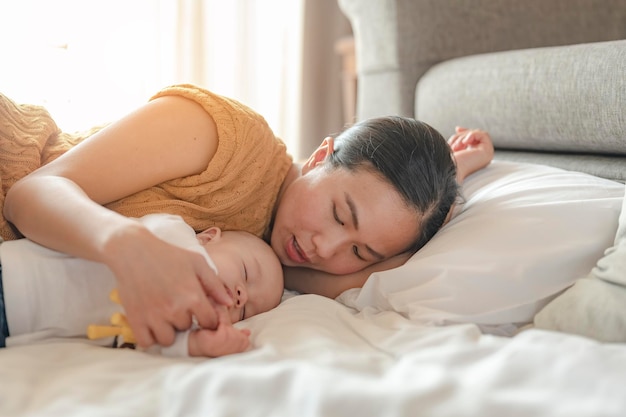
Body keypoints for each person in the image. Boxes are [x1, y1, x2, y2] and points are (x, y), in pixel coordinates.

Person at [0, 84, 494, 348]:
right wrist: (124, 244)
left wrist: (454, 180)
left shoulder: (275, 269)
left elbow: (391, 273)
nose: (328, 248)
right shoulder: (227, 138)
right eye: (340, 215)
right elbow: (32, 193)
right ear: (320, 157)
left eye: (359, 251)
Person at [0, 213, 284, 358]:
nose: (240, 296)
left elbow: (147, 342)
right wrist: (200, 271)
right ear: (208, 237)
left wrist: (196, 343)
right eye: (246, 272)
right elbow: (159, 230)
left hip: (13, 332)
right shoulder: (175, 236)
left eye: (245, 310)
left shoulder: (179, 316)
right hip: (12, 276)